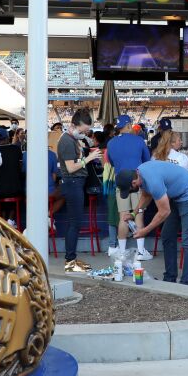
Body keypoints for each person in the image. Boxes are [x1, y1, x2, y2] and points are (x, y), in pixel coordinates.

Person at [121, 161, 188, 285]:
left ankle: (186, 284)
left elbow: (164, 212)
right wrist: (134, 214)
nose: (131, 191)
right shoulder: (140, 173)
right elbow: (145, 195)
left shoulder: (152, 181)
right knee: (167, 236)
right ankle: (170, 279)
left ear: (134, 182)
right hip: (176, 197)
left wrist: (145, 230)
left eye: (130, 190)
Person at [55, 108, 101, 272]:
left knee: (74, 223)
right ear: (74, 126)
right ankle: (70, 262)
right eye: (83, 131)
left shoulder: (72, 139)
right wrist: (88, 158)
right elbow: (71, 167)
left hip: (75, 183)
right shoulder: (67, 141)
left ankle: (71, 259)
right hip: (72, 182)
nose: (85, 134)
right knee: (74, 224)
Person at [106, 115, 152, 261]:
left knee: (123, 217)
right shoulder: (138, 140)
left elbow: (112, 163)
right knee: (138, 214)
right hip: (137, 180)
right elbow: (146, 160)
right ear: (128, 125)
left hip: (121, 182)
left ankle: (121, 252)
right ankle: (140, 252)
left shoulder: (111, 143)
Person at [0, 128, 25, 224]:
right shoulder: (15, 149)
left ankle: (2, 219)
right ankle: (11, 219)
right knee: (18, 191)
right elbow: (20, 168)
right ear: (7, 138)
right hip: (15, 190)